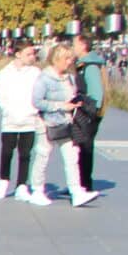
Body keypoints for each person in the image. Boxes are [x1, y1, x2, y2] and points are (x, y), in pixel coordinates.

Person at [0, 39, 46, 204]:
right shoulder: (5, 73)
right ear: (18, 54)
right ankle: (4, 181)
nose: (32, 57)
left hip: (29, 118)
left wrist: (32, 111)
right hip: (10, 119)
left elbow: (38, 94)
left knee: (25, 153)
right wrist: (8, 110)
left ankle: (22, 185)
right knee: (7, 151)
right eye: (28, 54)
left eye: (33, 54)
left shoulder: (35, 73)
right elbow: (1, 96)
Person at [39, 43, 93, 204]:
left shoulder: (69, 78)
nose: (70, 62)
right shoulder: (44, 78)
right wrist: (61, 106)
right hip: (47, 122)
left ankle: (76, 191)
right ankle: (37, 188)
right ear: (57, 59)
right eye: (67, 58)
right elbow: (37, 101)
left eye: (71, 58)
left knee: (72, 157)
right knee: (42, 156)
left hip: (66, 121)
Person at [70, 36, 107, 195]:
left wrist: (91, 111)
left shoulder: (90, 66)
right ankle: (80, 183)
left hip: (89, 113)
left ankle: (85, 184)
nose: (73, 47)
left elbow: (96, 93)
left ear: (83, 45)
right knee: (81, 147)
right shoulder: (85, 64)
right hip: (86, 111)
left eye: (75, 44)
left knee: (85, 147)